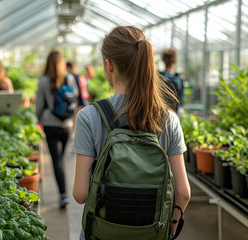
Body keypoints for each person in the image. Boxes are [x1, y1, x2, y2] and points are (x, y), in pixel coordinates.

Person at [72, 26, 191, 239]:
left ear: (109, 65)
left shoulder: (89, 117)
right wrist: (167, 232)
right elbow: (183, 193)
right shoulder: (169, 119)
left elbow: (81, 194)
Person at [35, 51, 78, 209]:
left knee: (56, 160)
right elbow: (75, 97)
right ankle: (64, 193)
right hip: (66, 125)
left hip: (50, 124)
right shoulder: (70, 78)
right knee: (62, 159)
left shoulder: (44, 80)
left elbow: (39, 105)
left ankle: (63, 194)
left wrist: (37, 120)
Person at [160, 48, 184, 113]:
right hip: (174, 113)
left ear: (163, 60)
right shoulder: (178, 79)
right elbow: (181, 100)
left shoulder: (159, 77)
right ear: (175, 61)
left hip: (160, 112)